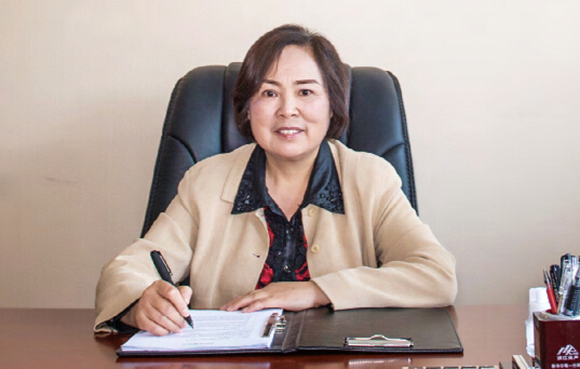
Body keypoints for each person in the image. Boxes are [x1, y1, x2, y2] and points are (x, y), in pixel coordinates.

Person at [95, 24, 457, 335]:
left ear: (332, 104)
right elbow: (127, 270)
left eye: (305, 92)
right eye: (269, 93)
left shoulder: (370, 179)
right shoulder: (206, 181)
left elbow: (436, 275)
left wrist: (317, 291)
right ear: (247, 107)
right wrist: (141, 302)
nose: (287, 110)